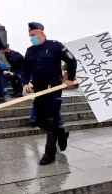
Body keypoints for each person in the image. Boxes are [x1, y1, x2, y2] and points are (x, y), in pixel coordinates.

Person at [22, 22, 77, 165]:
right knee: (40, 120)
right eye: (30, 35)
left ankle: (49, 153)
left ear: (42, 33)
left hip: (54, 88)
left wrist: (70, 79)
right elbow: (25, 70)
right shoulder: (30, 51)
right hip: (39, 89)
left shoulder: (55, 46)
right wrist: (25, 82)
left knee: (52, 119)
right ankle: (61, 133)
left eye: (34, 35)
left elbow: (72, 60)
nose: (32, 38)